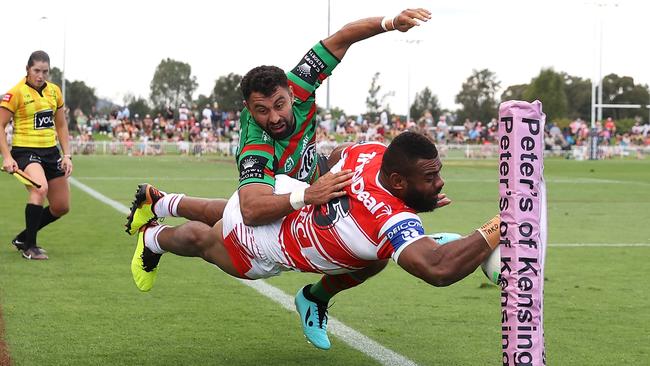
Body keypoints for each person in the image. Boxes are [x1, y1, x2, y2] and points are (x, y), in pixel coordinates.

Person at [128, 132, 500, 350]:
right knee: (204, 240)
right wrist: (502, 223)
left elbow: (335, 156)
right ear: (399, 182)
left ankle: (159, 200)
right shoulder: (391, 219)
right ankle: (154, 238)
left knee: (374, 258)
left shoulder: (371, 152)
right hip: (264, 245)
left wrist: (320, 194)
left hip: (286, 197)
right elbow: (438, 268)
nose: (440, 184)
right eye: (431, 177)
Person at [0, 50, 73, 260]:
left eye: (45, 71)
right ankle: (29, 248)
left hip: (51, 153)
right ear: (27, 69)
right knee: (40, 188)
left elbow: (61, 124)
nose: (40, 76)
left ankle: (23, 237)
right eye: (36, 71)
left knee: (61, 206)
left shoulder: (54, 91)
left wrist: (67, 155)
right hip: (25, 152)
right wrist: (7, 157)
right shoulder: (15, 93)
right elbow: (1, 125)